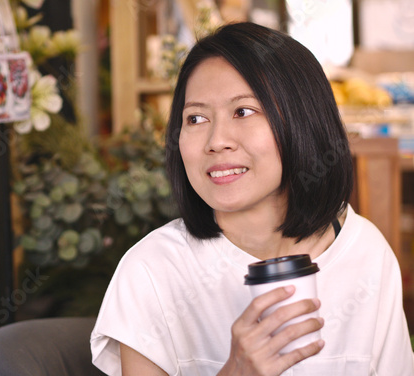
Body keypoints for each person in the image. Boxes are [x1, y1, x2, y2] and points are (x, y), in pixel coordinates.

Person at [90, 22, 414, 375]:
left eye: (243, 111)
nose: (216, 140)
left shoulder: (365, 254)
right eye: (196, 118)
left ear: (302, 119)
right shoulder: (151, 271)